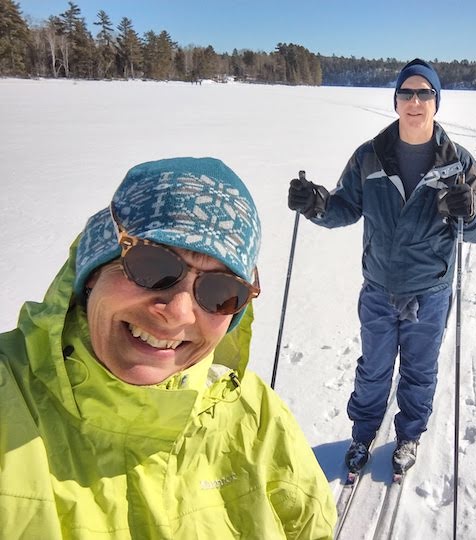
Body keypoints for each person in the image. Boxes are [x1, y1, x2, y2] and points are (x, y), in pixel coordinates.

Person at [0, 157, 336, 539]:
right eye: (153, 266)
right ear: (93, 271)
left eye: (220, 292)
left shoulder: (258, 421)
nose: (177, 313)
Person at [287, 59, 476, 476]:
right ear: (396, 100)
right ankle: (363, 433)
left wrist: (468, 213)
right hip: (379, 286)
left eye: (424, 93)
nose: (415, 101)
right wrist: (316, 204)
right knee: (374, 368)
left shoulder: (461, 164)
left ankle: (409, 435)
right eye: (406, 93)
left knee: (419, 370)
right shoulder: (370, 156)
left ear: (437, 101)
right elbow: (345, 206)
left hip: (430, 291)